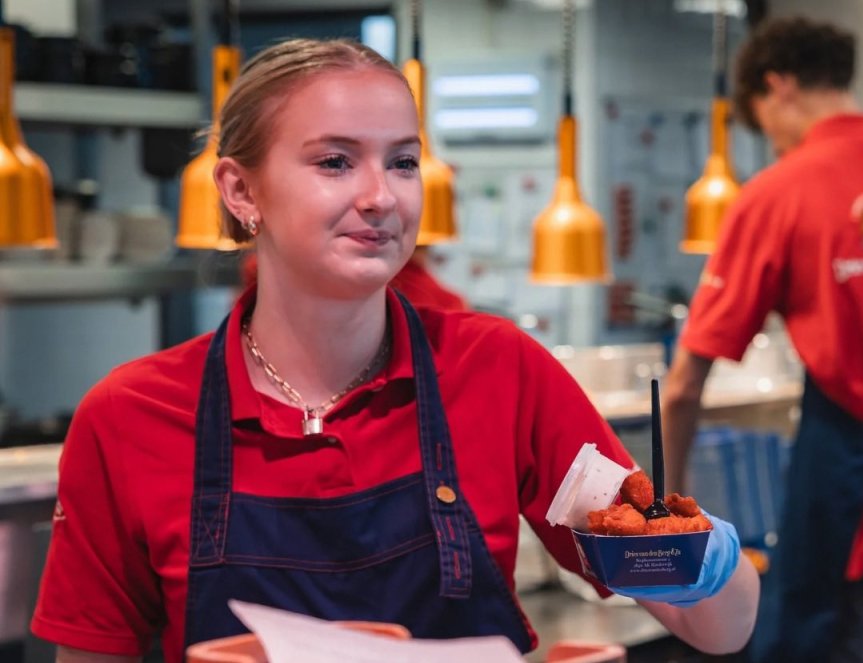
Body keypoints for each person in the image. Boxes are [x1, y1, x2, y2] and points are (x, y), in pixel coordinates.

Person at [31, 37, 758, 663]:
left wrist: (703, 561)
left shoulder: (500, 370)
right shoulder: (130, 415)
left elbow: (713, 628)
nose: (382, 195)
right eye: (335, 162)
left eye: (403, 161)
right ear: (240, 189)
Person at [661, 16, 863, 663]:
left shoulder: (777, 192)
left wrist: (668, 506)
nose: (771, 143)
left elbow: (684, 385)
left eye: (762, 123)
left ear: (776, 87)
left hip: (842, 446)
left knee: (799, 631)